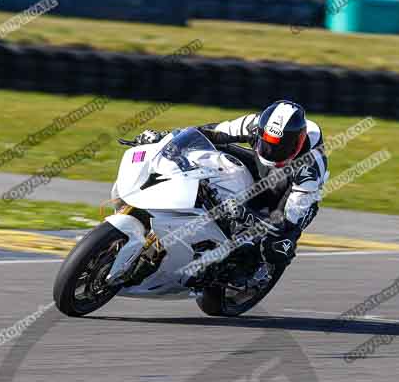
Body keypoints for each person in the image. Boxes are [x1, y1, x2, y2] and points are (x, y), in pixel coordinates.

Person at [133, 100, 328, 275]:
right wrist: (164, 138)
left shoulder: (310, 167)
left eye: (280, 147)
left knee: (276, 248)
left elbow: (286, 221)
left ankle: (245, 272)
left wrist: (248, 214)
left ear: (298, 142)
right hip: (261, 168)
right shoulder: (254, 124)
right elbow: (211, 132)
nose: (272, 151)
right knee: (209, 151)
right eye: (268, 144)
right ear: (261, 131)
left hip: (291, 194)